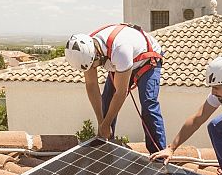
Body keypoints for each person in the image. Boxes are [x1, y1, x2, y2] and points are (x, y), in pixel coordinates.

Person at [65, 23, 166, 153]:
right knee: (107, 102)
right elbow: (91, 85)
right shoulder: (85, 52)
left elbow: (120, 92)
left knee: (148, 104)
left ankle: (158, 153)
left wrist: (106, 124)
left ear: (97, 54)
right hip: (123, 62)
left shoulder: (120, 50)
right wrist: (101, 122)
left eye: (94, 65)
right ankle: (106, 146)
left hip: (147, 61)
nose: (94, 68)